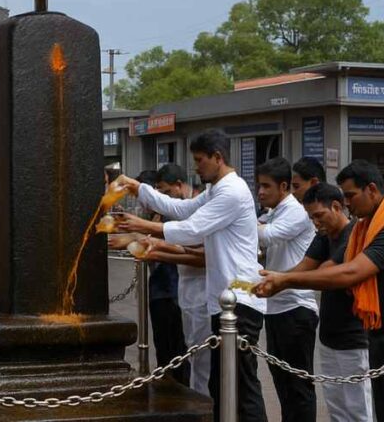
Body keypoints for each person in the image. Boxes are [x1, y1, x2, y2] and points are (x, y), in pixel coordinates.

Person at [255, 160, 384, 422]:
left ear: (371, 189)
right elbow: (316, 266)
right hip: (379, 331)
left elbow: (349, 272)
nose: (347, 203)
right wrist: (281, 279)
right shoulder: (366, 227)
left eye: (350, 195)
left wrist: (285, 280)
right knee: (378, 412)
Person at [116, 129, 267, 422]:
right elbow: (182, 209)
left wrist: (145, 227)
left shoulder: (232, 192)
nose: (196, 167)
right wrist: (140, 189)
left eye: (199, 160)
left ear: (217, 157)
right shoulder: (216, 190)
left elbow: (193, 229)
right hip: (225, 300)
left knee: (242, 385)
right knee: (221, 383)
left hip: (240, 299)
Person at [294, 183, 373, 422]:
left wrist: (280, 280)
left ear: (337, 206)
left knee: (359, 410)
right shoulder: (324, 235)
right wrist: (272, 279)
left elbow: (324, 274)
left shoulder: (354, 235)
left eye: (319, 216)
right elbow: (304, 268)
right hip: (329, 337)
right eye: (312, 218)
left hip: (354, 339)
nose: (316, 223)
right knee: (337, 409)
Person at [136, 163, 210, 394]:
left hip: (184, 293)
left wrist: (155, 244)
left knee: (191, 358)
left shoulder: (200, 212)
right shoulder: (168, 214)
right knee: (173, 353)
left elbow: (198, 255)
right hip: (173, 293)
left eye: (165, 194)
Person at [255, 157, 318, 422]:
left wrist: (235, 213)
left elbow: (267, 236)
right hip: (276, 306)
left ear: (283, 187)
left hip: (296, 307)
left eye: (266, 186)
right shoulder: (273, 213)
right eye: (258, 186)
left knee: (298, 385)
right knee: (282, 381)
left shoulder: (295, 210)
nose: (260, 192)